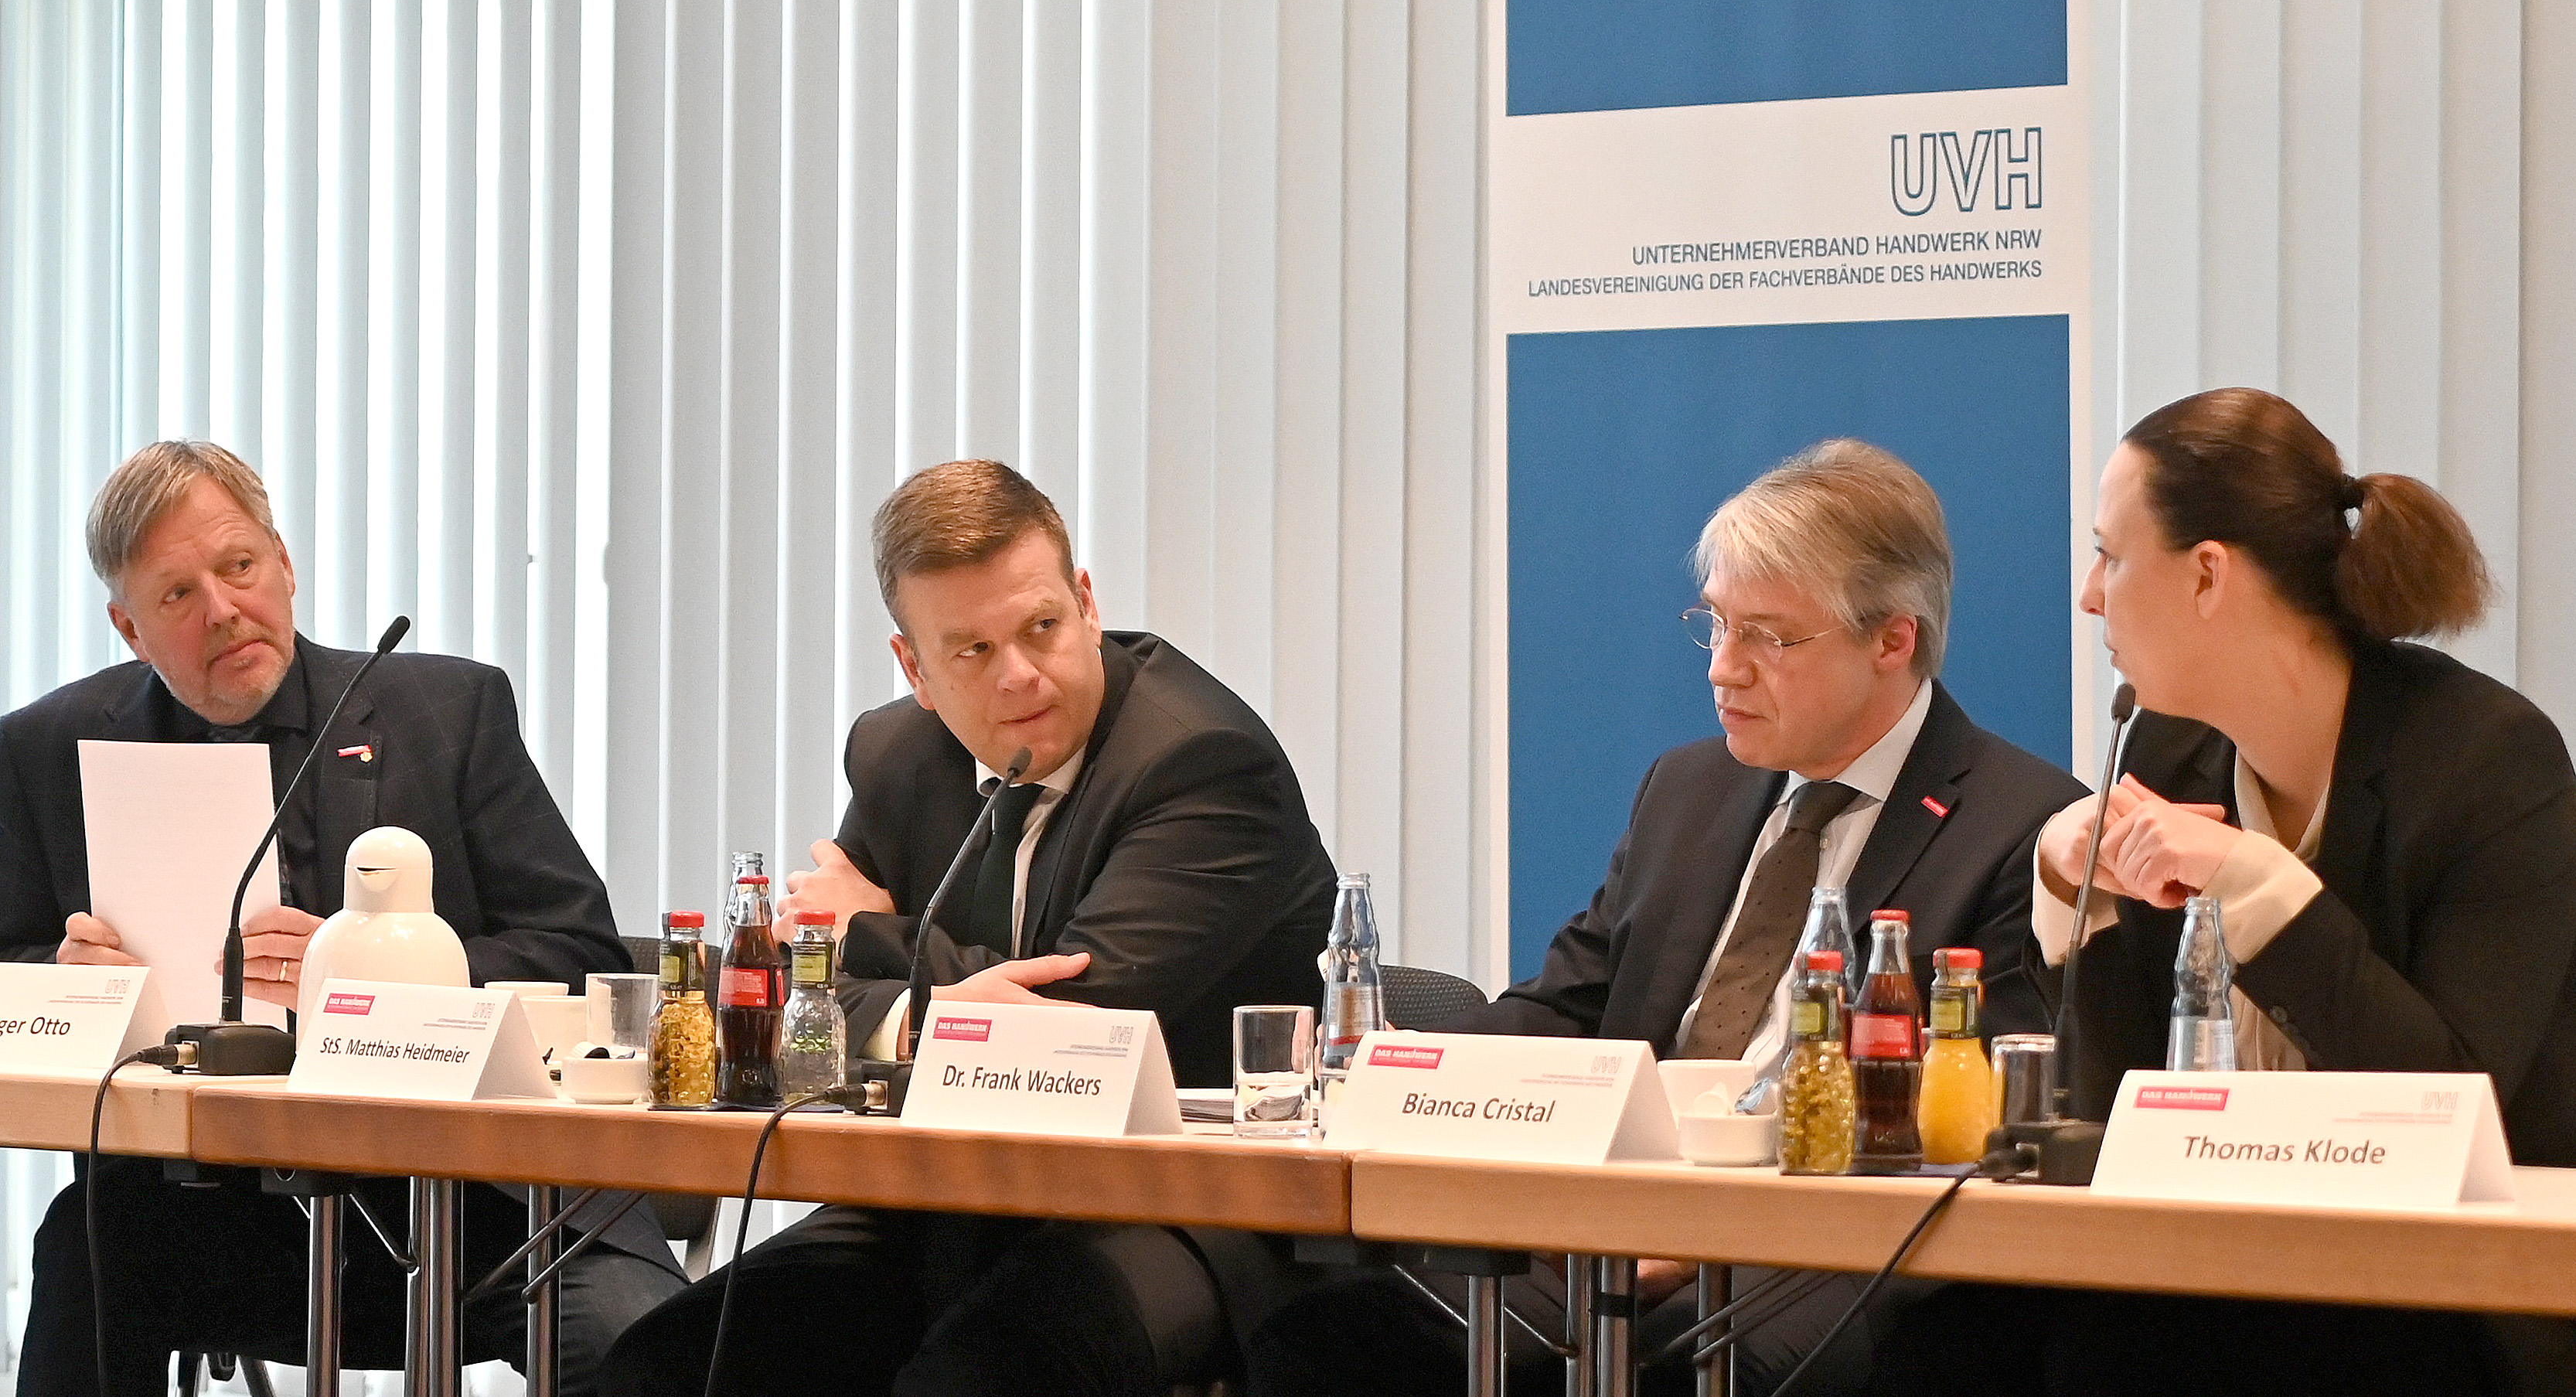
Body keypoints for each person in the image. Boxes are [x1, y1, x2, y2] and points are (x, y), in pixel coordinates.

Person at [1244, 441, 2087, 1397]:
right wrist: (1411, 1068)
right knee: (1326, 1325)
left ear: (1891, 640)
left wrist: (1707, 1232)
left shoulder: (2023, 827)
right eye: (1716, 626)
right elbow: (1563, 1008)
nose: (1724, 670)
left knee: (1700, 1358)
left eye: (1769, 638)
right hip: (1608, 1222)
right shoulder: (1686, 789)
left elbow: (1965, 1126)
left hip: (1823, 1249)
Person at [1868, 387, 2576, 1395]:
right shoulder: (2166, 749)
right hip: (2210, 1263)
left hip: (2432, 1294)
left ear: (2208, 574)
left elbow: (2452, 1101)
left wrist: (2256, 882)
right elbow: (2118, 1106)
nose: (2088, 593)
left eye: (2111, 554)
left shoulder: (2487, 759)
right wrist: (2077, 893)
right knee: (1928, 1342)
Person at [598, 458, 1337, 1397]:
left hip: (1183, 1206)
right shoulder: (898, 753)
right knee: (667, 1369)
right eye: (972, 652)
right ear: (915, 667)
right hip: (946, 1192)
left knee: (975, 1381)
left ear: (1084, 602)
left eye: (1040, 627)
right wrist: (928, 1009)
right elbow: (802, 996)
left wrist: (872, 932)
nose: (1022, 676)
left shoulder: (1202, 763)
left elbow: (1075, 1024)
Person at [0, 441, 682, 1395]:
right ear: (129, 628)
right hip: (216, 1211)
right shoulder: (51, 747)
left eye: (238, 567)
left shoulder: (446, 710)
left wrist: (375, 972)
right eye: (176, 595)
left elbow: (578, 955)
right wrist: (65, 984)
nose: (223, 608)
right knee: (84, 1252)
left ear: (282, 562)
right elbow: (12, 965)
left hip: (487, 1202)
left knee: (632, 1331)